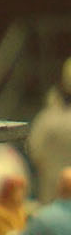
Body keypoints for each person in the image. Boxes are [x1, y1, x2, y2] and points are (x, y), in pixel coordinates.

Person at [28, 59, 71, 204]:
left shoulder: (47, 118)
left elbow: (34, 151)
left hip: (52, 197)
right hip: (54, 195)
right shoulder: (50, 118)